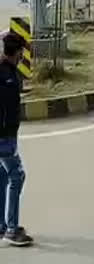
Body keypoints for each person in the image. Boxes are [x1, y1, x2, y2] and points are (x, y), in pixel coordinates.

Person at [0, 33, 34, 247]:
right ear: (17, 52)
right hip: (4, 136)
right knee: (17, 175)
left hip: (6, 134)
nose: (24, 55)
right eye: (22, 51)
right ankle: (12, 229)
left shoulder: (8, 72)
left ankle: (3, 225)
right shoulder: (6, 76)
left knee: (3, 175)